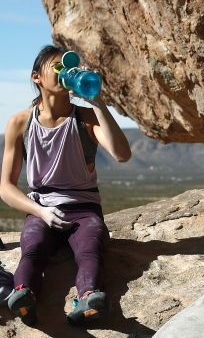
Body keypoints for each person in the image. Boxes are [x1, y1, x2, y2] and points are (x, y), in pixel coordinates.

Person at [0, 45, 132, 325]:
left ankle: (89, 298)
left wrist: (98, 102)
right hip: (41, 206)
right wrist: (40, 212)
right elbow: (6, 188)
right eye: (57, 66)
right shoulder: (20, 123)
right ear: (37, 77)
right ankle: (23, 295)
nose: (65, 72)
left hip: (83, 208)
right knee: (32, 246)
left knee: (89, 247)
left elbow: (122, 154)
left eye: (69, 66)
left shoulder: (85, 118)